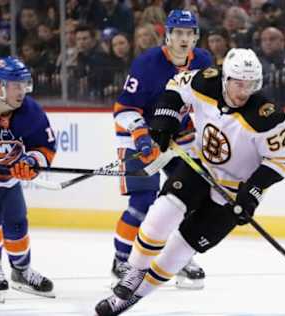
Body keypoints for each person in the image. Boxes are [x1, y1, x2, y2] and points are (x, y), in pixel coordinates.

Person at [94, 48, 285, 316]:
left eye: (251, 85)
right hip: (199, 167)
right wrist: (165, 119)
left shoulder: (268, 117)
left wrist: (253, 193)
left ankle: (133, 297)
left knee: (180, 248)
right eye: (238, 83)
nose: (243, 91)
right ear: (225, 78)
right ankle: (133, 272)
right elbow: (175, 88)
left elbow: (281, 161)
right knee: (159, 217)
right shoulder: (205, 81)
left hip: (233, 192)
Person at [110, 9, 212, 290]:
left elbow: (207, 105)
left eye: (189, 33)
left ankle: (177, 260)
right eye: (178, 33)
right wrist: (142, 135)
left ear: (196, 37)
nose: (183, 39)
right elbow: (123, 109)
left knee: (185, 198)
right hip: (138, 135)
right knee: (143, 202)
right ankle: (121, 259)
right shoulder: (147, 64)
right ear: (167, 35)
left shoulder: (204, 62)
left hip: (178, 136)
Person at [0, 56, 56, 300]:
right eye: (15, 85)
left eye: (24, 84)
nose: (22, 91)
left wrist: (32, 163)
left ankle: (21, 272)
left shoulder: (30, 111)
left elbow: (45, 146)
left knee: (17, 224)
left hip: (9, 182)